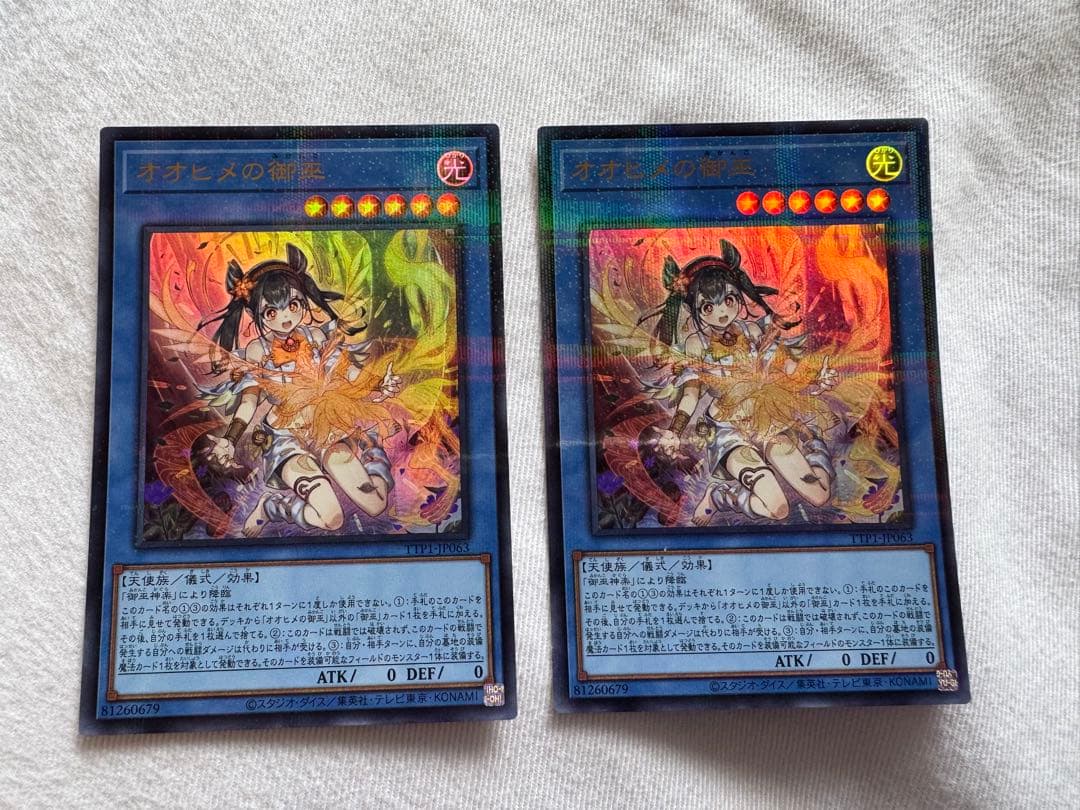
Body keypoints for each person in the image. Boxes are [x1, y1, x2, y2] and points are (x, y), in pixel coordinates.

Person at [199, 243, 402, 537]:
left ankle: (371, 446)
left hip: (328, 429)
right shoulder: (256, 351)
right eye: (271, 311)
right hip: (287, 439)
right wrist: (230, 438)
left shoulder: (316, 336)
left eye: (293, 305)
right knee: (331, 518)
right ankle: (271, 506)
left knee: (376, 504)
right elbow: (249, 401)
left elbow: (346, 372)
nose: (285, 317)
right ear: (256, 313)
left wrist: (378, 383)